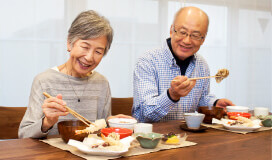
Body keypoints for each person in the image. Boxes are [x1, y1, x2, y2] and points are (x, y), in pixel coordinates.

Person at [19, 10, 132, 138]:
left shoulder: (102, 83)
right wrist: (47, 122)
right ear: (69, 43)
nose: (89, 57)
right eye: (85, 47)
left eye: (98, 52)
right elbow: (24, 134)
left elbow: (100, 131)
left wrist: (112, 123)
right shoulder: (44, 81)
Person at [132, 6, 234, 122]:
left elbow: (201, 100)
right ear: (171, 31)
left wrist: (215, 104)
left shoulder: (202, 65)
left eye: (195, 35)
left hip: (189, 137)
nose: (186, 41)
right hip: (153, 137)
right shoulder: (147, 61)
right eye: (182, 32)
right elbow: (143, 115)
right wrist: (171, 95)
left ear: (203, 39)